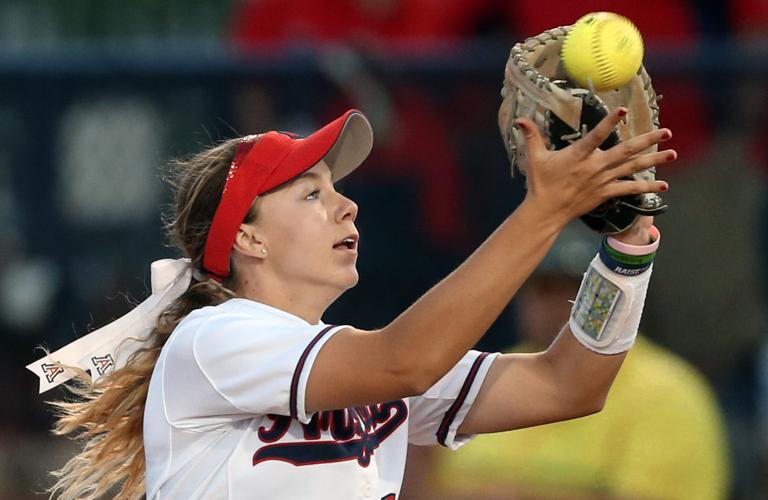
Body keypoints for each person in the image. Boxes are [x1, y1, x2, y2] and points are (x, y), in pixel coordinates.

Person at [33, 106, 674, 499]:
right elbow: (406, 363)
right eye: (310, 194)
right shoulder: (214, 340)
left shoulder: (355, 361)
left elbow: (567, 385)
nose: (347, 204)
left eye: (335, 187)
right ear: (248, 238)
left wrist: (627, 255)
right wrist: (543, 212)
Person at [402, 225, 731, 500]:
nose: (563, 305)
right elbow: (415, 485)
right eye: (545, 290)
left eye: (577, 289)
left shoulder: (667, 388)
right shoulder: (487, 371)